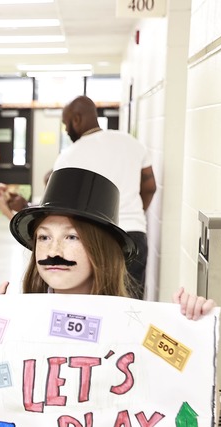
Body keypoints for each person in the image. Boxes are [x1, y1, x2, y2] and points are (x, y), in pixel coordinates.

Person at [0, 167, 212, 320]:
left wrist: (190, 325)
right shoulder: (16, 317)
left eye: (72, 237)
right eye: (44, 237)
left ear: (102, 251)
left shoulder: (132, 327)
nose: (54, 251)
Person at [55, 95, 157, 299]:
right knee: (131, 305)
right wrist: (133, 213)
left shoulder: (70, 155)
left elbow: (61, 204)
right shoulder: (131, 143)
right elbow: (150, 187)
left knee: (98, 304)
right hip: (135, 234)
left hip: (96, 237)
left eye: (66, 124)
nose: (66, 130)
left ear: (77, 119)